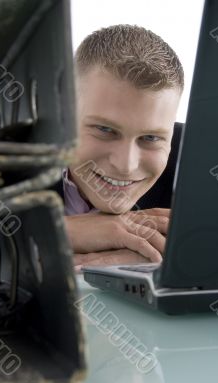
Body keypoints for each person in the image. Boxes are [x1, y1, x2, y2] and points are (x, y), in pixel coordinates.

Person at [62, 24, 184, 268]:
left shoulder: (205, 156)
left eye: (151, 138)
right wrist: (58, 233)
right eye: (105, 130)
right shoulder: (6, 149)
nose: (126, 165)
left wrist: (165, 258)